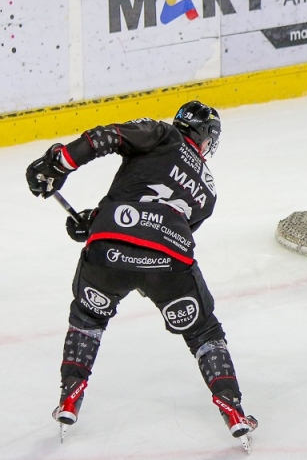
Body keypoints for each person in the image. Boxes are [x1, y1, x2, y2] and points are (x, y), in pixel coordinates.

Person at [25, 101, 258, 450]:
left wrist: (59, 164)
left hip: (107, 249)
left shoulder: (162, 134)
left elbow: (105, 138)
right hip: (168, 262)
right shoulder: (208, 191)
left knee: (88, 318)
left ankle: (70, 395)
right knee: (204, 332)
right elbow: (160, 224)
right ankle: (233, 409)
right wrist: (97, 219)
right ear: (207, 137)